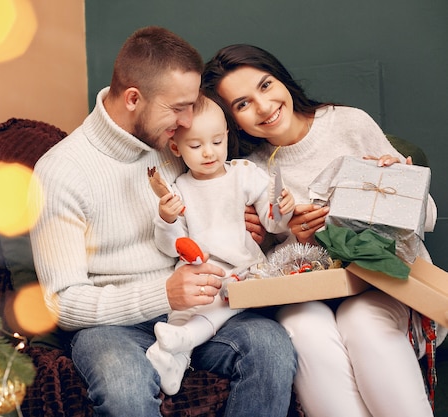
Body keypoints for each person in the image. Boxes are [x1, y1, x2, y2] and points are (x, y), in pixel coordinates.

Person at [29, 28, 296, 417]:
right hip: (111, 325)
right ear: (134, 98)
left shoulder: (177, 144)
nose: (188, 121)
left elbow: (236, 190)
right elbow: (62, 303)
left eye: (193, 105)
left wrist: (258, 223)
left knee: (271, 346)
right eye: (178, 108)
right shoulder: (60, 173)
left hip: (197, 311)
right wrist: (163, 294)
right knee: (124, 389)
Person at [202, 43, 445, 417]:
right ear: (232, 120)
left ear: (282, 78)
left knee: (360, 320)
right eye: (243, 104)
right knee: (303, 326)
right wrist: (294, 238)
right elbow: (261, 273)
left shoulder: (348, 123)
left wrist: (396, 178)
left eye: (265, 86)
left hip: (385, 284)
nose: (263, 107)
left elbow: (426, 218)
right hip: (310, 297)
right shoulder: (245, 172)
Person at [145, 94, 295, 395]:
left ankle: (185, 338)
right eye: (196, 146)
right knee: (185, 312)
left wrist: (283, 208)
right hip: (200, 273)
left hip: (244, 270)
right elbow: (171, 246)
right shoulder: (180, 189)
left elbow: (273, 223)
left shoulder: (244, 174)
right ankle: (174, 360)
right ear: (176, 148)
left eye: (216, 142)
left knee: (227, 296)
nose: (208, 153)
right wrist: (167, 218)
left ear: (227, 135)